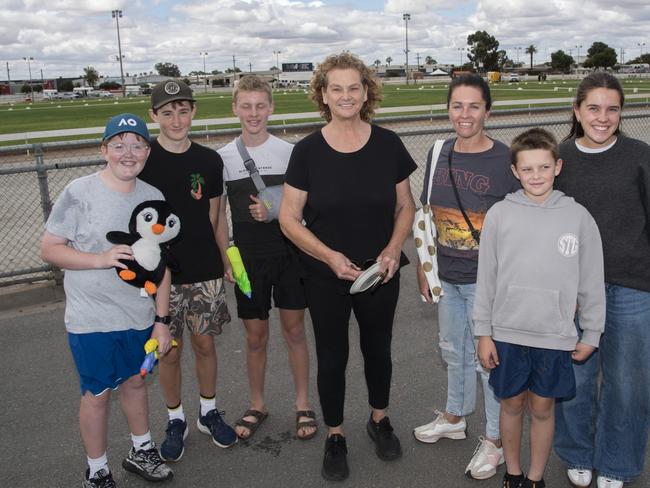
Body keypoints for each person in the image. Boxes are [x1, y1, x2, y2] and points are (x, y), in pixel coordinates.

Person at [279, 52, 416, 481]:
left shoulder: (389, 144)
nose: (345, 95)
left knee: (379, 351)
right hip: (325, 276)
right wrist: (328, 256)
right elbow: (287, 218)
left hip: (380, 272)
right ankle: (335, 435)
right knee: (333, 358)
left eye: (353, 87)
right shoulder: (307, 151)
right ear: (323, 94)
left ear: (366, 91)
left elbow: (406, 207)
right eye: (335, 88)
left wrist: (394, 248)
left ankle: (379, 419)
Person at [40, 113, 174, 487]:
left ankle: (141, 450)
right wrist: (99, 259)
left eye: (137, 145)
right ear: (104, 150)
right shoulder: (79, 192)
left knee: (135, 384)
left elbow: (162, 267)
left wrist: (162, 321)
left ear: (148, 151)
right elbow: (49, 249)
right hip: (92, 320)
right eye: (119, 145)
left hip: (139, 315)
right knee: (97, 395)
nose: (128, 153)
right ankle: (97, 470)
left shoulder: (153, 197)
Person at [474, 128, 605, 488]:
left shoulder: (578, 217)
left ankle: (535, 478)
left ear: (557, 167)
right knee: (511, 404)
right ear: (515, 171)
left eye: (544, 168)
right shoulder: (500, 214)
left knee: (544, 409)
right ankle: (513, 473)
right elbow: (486, 278)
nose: (536, 176)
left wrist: (591, 332)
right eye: (527, 169)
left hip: (554, 334)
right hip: (507, 333)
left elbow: (592, 281)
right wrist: (483, 333)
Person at [412, 73, 520, 481]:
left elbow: (518, 223)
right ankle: (455, 416)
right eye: (457, 105)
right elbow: (427, 217)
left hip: (486, 281)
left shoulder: (503, 160)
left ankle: (494, 440)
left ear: (488, 111)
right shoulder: (438, 151)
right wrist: (426, 270)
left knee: (487, 361)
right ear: (448, 109)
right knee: (452, 351)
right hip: (447, 275)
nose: (465, 114)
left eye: (474, 106)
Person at [553, 72, 650, 488]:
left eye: (612, 109)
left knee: (627, 382)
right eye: (593, 107)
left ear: (621, 113)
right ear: (577, 110)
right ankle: (577, 452)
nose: (602, 117)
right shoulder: (559, 160)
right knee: (575, 378)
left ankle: (618, 462)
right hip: (575, 291)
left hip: (632, 285)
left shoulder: (641, 156)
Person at [139, 79, 236, 462]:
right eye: (167, 112)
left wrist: (225, 256)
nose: (176, 119)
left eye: (183, 110)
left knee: (205, 344)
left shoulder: (210, 161)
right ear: (155, 116)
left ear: (193, 112)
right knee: (169, 351)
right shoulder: (144, 160)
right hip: (160, 275)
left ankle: (208, 411)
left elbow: (216, 215)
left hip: (204, 269)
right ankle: (175, 418)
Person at [215, 75, 316, 441]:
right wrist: (227, 256)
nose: (253, 113)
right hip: (247, 262)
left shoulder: (290, 152)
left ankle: (303, 403)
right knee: (255, 336)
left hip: (290, 255)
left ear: (271, 108)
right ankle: (258, 403)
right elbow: (217, 215)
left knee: (294, 332)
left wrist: (271, 208)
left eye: (260, 105)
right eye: (246, 106)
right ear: (235, 109)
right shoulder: (224, 158)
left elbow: (304, 207)